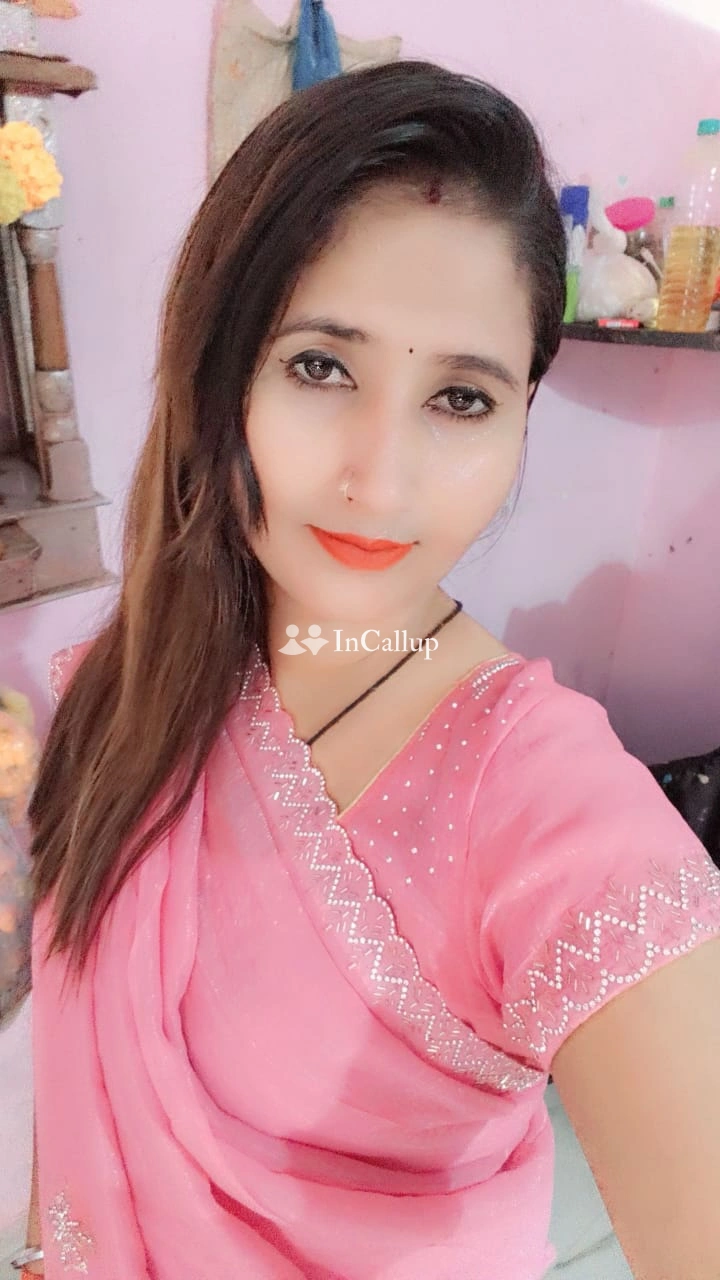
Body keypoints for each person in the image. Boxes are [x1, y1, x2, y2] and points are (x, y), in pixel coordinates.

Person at [16, 59, 720, 1280]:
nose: (381, 479)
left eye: (461, 397)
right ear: (219, 368)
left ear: (522, 415)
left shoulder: (544, 802)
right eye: (321, 366)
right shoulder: (136, 672)